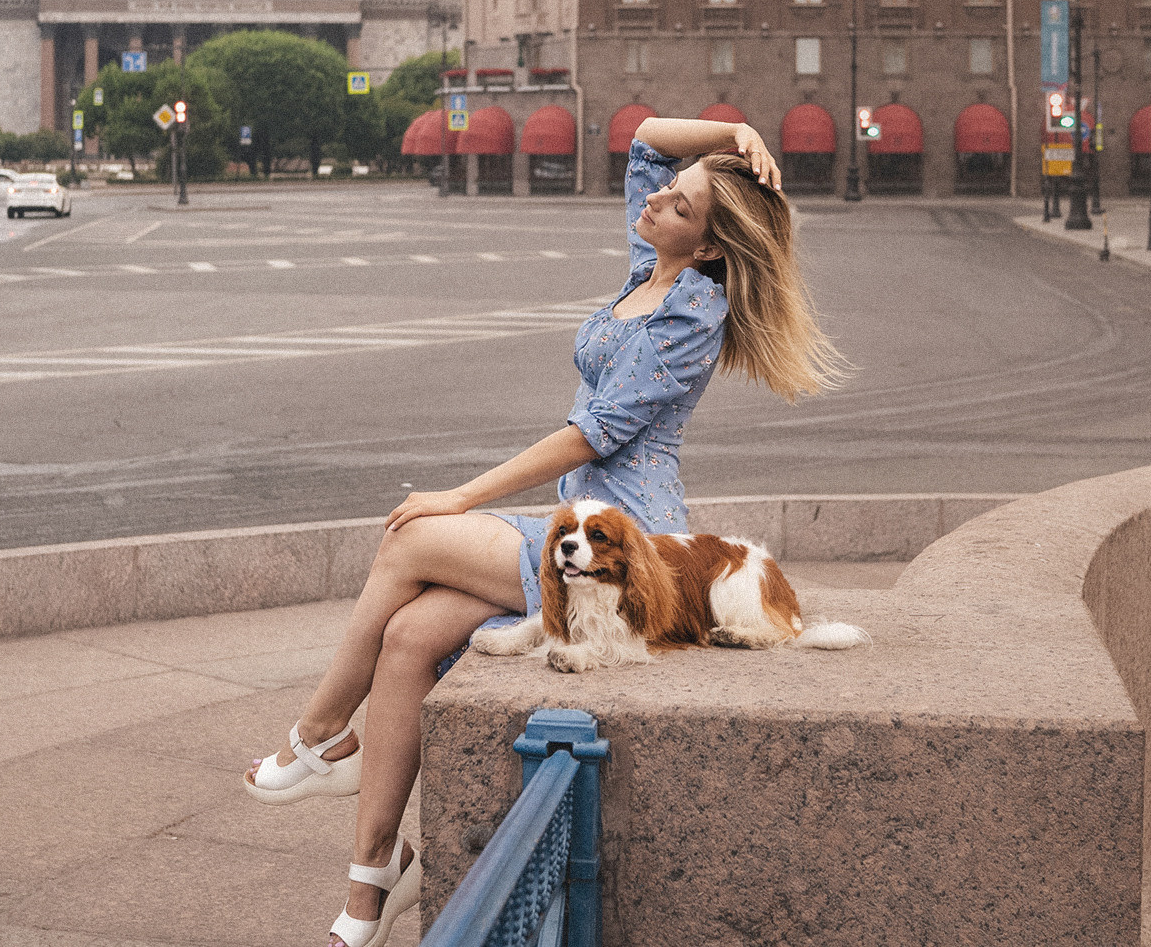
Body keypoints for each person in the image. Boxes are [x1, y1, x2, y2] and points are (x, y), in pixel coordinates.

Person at [239, 116, 847, 947]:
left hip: (621, 546)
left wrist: (459, 496)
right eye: (673, 188)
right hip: (577, 520)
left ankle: (318, 737)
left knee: (410, 539)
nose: (661, 195)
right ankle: (372, 876)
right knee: (412, 634)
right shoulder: (654, 263)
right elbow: (641, 140)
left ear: (707, 246)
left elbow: (592, 437)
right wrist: (732, 130)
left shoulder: (692, 312)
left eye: (683, 203)